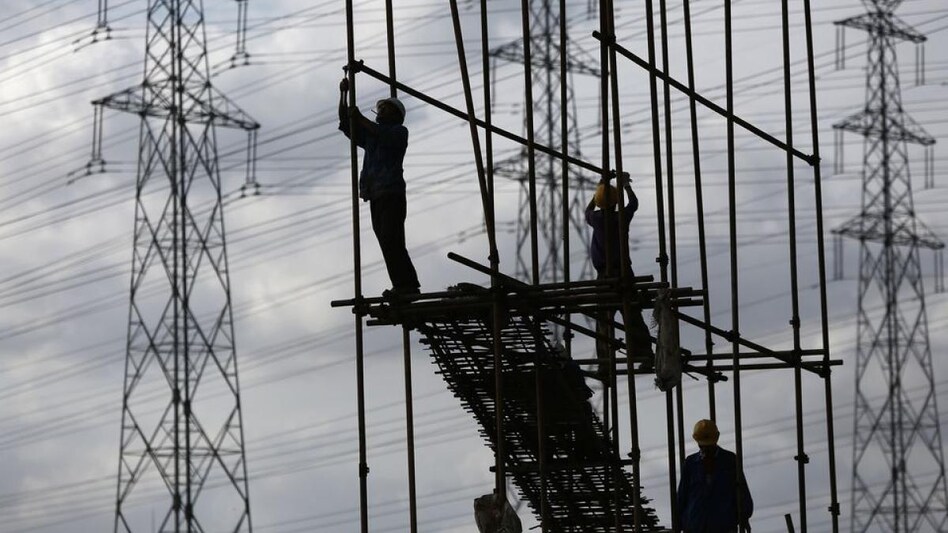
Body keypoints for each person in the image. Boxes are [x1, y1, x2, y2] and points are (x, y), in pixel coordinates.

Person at [338, 75, 420, 298]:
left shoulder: (398, 133)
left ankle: (407, 284)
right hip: (376, 195)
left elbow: (377, 131)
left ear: (396, 115)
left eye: (384, 109)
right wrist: (343, 95)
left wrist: (361, 118)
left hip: (392, 193)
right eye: (380, 109)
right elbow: (347, 124)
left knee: (391, 238)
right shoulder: (371, 137)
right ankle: (402, 285)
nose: (380, 112)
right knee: (386, 240)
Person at [584, 174, 654, 379]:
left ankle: (605, 364)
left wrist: (600, 186)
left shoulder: (596, 219)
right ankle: (644, 355)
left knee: (604, 321)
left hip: (603, 276)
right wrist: (625, 186)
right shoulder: (621, 217)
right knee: (632, 316)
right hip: (623, 273)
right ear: (615, 204)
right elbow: (633, 204)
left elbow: (588, 210)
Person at [678, 419, 754, 533]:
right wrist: (680, 523)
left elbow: (742, 492)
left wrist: (744, 517)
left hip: (723, 526)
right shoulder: (690, 463)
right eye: (703, 446)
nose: (706, 449)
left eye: (709, 446)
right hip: (696, 526)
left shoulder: (730, 461)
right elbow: (682, 496)